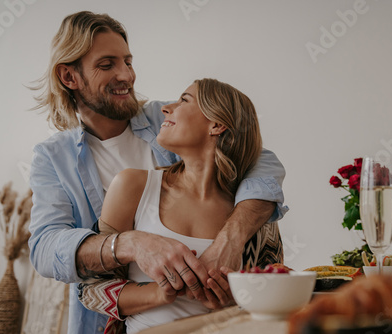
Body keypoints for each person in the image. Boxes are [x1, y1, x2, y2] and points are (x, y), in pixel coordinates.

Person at [28, 11, 287, 334]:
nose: (127, 75)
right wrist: (132, 244)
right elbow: (45, 248)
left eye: (128, 61)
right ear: (70, 77)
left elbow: (259, 159)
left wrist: (230, 242)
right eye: (107, 65)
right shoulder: (53, 158)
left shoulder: (167, 121)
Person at [78, 78, 284, 333]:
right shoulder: (133, 186)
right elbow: (90, 289)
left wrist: (238, 299)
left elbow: (276, 289)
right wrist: (161, 293)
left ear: (217, 124)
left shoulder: (251, 211)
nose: (166, 108)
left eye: (184, 100)